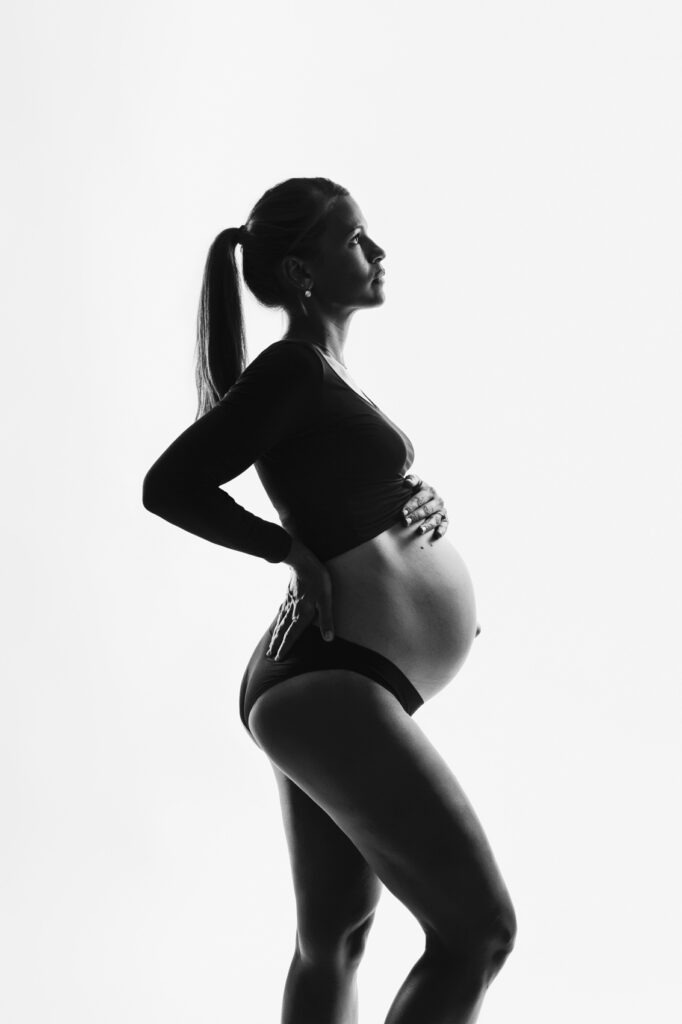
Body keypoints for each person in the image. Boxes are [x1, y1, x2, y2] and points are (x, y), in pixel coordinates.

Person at [142, 176, 516, 1023]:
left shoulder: (321, 375)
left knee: (334, 938)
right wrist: (286, 551)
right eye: (354, 239)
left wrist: (416, 498)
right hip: (331, 679)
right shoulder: (293, 369)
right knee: (479, 932)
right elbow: (170, 486)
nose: (377, 252)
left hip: (327, 684)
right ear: (302, 273)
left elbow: (342, 488)